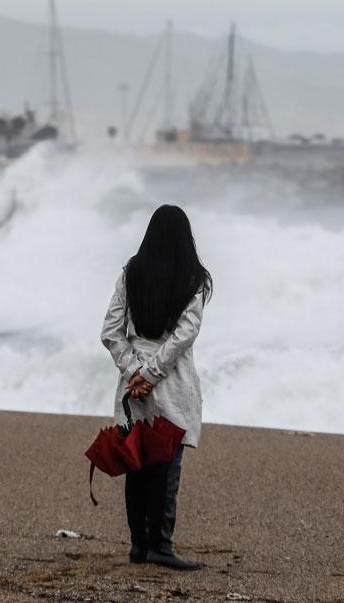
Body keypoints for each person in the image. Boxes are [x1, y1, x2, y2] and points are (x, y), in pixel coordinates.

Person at [100, 204, 212, 571]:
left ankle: (139, 545)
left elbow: (111, 333)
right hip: (171, 381)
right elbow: (184, 336)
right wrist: (151, 373)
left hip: (132, 385)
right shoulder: (195, 279)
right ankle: (160, 546)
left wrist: (135, 371)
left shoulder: (131, 274)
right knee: (167, 460)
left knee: (139, 460)